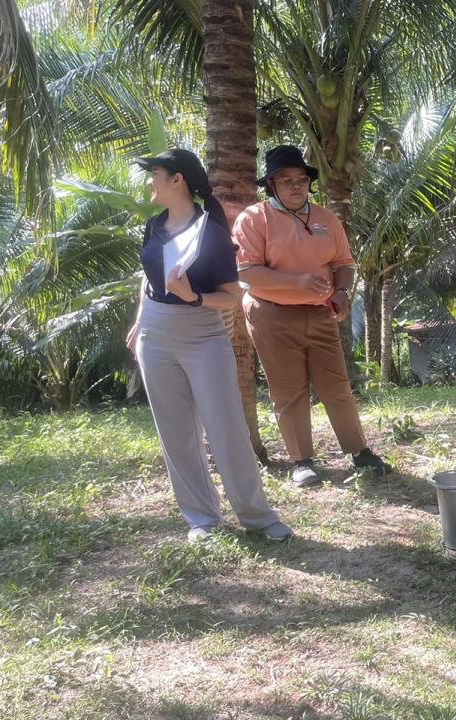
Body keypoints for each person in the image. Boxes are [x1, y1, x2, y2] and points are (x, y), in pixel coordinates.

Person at [127, 148, 292, 543]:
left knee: (227, 427)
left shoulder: (212, 232)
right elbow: (148, 279)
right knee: (175, 433)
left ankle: (258, 516)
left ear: (177, 180)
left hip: (202, 334)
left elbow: (231, 295)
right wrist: (139, 320)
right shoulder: (153, 226)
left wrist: (193, 298)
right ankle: (202, 518)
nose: (151, 182)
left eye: (156, 174)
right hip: (154, 334)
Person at [232, 145, 391, 488]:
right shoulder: (254, 219)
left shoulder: (326, 218)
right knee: (288, 390)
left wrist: (343, 292)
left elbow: (343, 264)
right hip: (271, 314)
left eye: (301, 179)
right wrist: (297, 281)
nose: (295, 186)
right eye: (286, 180)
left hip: (321, 313)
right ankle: (301, 462)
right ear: (271, 185)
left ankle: (360, 453)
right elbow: (246, 273)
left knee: (337, 386)